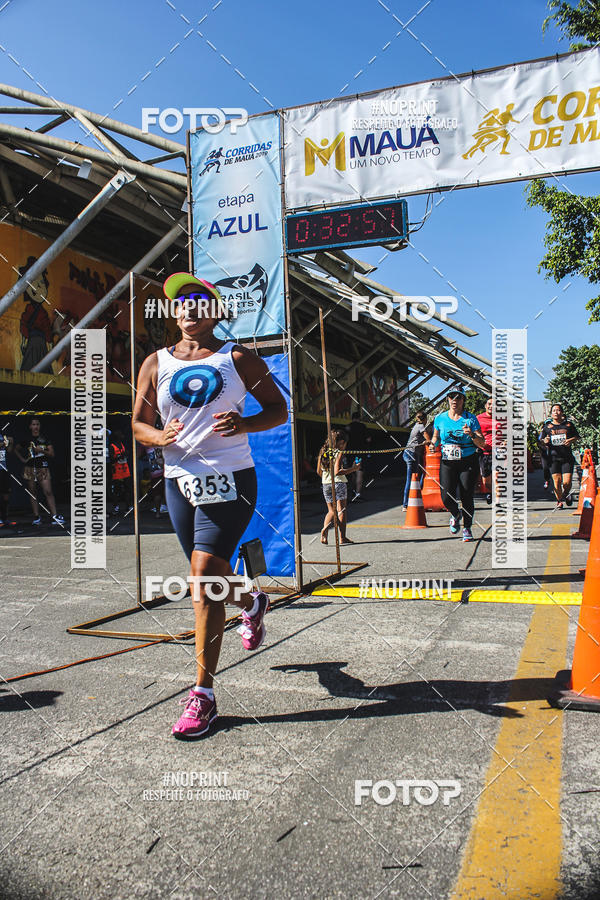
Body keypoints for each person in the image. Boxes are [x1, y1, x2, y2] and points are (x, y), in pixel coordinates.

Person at [132, 273, 287, 740]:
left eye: (200, 304)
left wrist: (244, 422)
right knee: (213, 582)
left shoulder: (237, 358)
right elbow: (138, 425)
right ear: (173, 314)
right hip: (179, 483)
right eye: (181, 305)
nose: (189, 311)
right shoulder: (154, 363)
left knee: (202, 578)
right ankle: (252, 599)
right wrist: (160, 436)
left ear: (217, 312)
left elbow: (279, 411)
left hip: (231, 479)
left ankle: (203, 695)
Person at [430, 387, 486, 542]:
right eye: (451, 397)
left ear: (463, 400)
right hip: (448, 461)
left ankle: (467, 528)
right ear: (447, 399)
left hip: (467, 461)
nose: (455, 400)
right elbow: (436, 437)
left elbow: (482, 443)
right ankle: (456, 514)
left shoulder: (470, 419)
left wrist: (472, 434)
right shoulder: (440, 418)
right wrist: (433, 444)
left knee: (466, 495)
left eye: (458, 397)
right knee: (446, 496)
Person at [15, 418, 63, 526]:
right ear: (30, 426)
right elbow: (16, 449)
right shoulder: (26, 439)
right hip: (30, 467)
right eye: (33, 424)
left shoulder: (44, 438)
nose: (35, 426)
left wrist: (41, 450)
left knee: (48, 491)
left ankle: (54, 515)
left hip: (43, 467)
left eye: (37, 424)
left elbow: (52, 454)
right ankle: (36, 517)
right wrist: (23, 459)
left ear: (39, 426)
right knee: (32, 492)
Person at [317, 430, 359, 544]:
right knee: (342, 510)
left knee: (331, 511)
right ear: (341, 442)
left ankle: (325, 532)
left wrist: (326, 478)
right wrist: (354, 469)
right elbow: (337, 472)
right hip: (338, 483)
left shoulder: (323, 452)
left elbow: (318, 471)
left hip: (326, 484)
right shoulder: (339, 452)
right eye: (345, 443)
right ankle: (342, 537)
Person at [539, 403, 579, 508]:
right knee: (557, 482)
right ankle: (559, 501)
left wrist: (570, 440)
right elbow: (541, 441)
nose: (556, 412)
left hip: (567, 458)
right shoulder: (547, 427)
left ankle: (566, 495)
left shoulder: (568, 425)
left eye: (558, 410)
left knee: (566, 483)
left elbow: (577, 437)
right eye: (554, 411)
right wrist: (545, 441)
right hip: (553, 458)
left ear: (562, 412)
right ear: (551, 413)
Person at [402, 411, 430, 510]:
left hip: (409, 453)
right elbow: (428, 438)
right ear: (425, 419)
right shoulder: (420, 426)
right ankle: (405, 504)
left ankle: (413, 499)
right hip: (411, 454)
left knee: (417, 476)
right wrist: (429, 442)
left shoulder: (416, 425)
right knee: (411, 479)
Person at [476, 397, 498, 505]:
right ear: (485, 406)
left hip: (497, 452)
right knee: (486, 481)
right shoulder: (478, 418)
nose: (491, 406)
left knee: (497, 477)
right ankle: (490, 492)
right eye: (489, 404)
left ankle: (498, 501)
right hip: (483, 452)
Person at [346, 411, 371, 501]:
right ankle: (358, 494)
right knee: (359, 472)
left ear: (352, 418)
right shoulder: (362, 427)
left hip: (350, 454)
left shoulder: (347, 427)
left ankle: (352, 492)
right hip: (359, 453)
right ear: (359, 418)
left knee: (351, 472)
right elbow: (368, 439)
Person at [108, 430, 132, 516]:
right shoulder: (112, 446)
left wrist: (126, 454)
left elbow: (125, 455)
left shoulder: (122, 444)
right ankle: (116, 507)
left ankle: (127, 507)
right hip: (117, 470)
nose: (123, 435)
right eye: (121, 434)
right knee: (116, 490)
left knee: (127, 489)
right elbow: (111, 460)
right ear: (117, 436)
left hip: (125, 469)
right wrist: (121, 456)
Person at [0, 429, 14, 527]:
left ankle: (5, 518)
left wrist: (10, 443)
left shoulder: (3, 435)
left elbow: (9, 450)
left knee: (6, 495)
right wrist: (2, 444)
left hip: (3, 469)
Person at [537, 416, 552, 490]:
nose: (549, 425)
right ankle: (547, 480)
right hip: (545, 453)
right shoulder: (543, 432)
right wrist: (543, 445)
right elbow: (539, 441)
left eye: (550, 423)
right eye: (547, 424)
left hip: (555, 453)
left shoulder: (556, 431)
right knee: (545, 468)